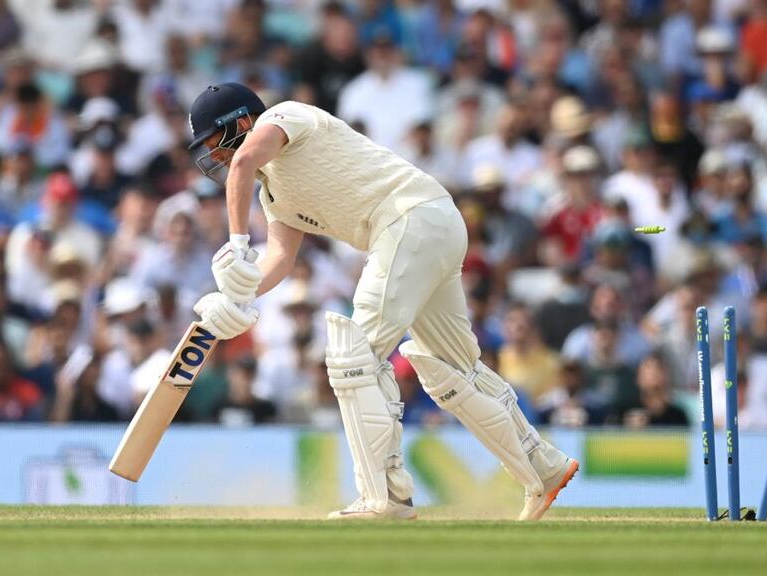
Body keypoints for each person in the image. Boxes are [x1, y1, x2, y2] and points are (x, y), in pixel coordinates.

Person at [185, 83, 578, 521]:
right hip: (429, 224)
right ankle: (543, 466)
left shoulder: (287, 116)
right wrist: (236, 292)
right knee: (452, 370)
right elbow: (279, 258)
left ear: (241, 121)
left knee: (354, 355)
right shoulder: (271, 193)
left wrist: (237, 244)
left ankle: (386, 496)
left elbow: (241, 160)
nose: (213, 155)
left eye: (213, 141)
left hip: (408, 218)